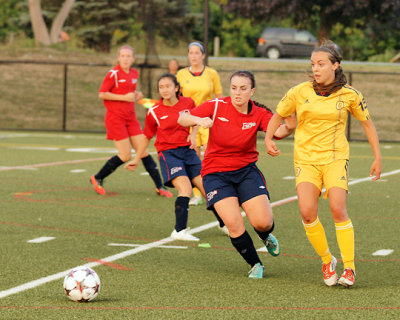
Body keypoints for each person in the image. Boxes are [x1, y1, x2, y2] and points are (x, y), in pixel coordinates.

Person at [265, 40, 381, 287]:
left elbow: (368, 124)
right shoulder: (300, 91)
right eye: (313, 64)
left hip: (335, 158)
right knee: (307, 213)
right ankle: (327, 260)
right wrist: (267, 138)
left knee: (338, 208)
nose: (316, 69)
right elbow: (278, 114)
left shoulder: (350, 95)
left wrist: (377, 157)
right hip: (306, 160)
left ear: (335, 65)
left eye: (321, 64)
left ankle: (349, 268)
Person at [178, 70, 294, 278]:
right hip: (215, 174)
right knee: (233, 223)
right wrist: (199, 120)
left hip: (246, 171)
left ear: (252, 91)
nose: (237, 93)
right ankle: (255, 264)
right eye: (233, 88)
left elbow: (278, 132)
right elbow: (182, 118)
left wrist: (291, 125)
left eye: (243, 89)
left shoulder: (258, 113)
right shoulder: (216, 105)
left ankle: (265, 235)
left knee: (262, 222)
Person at [125, 73, 207, 241]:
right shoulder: (154, 111)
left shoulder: (188, 103)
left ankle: (224, 224)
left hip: (188, 152)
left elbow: (196, 120)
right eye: (161, 87)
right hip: (169, 154)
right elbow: (146, 136)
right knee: (185, 189)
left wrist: (193, 135)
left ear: (176, 88)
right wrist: (136, 158)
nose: (164, 90)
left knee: (208, 189)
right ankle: (179, 231)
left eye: (168, 86)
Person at [90, 45, 172, 198]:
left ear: (133, 59)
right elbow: (102, 94)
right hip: (115, 118)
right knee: (125, 155)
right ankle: (97, 177)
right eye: (123, 56)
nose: (126, 59)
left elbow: (127, 92)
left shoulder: (134, 73)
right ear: (118, 58)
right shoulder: (113, 73)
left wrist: (136, 94)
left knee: (143, 150)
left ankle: (160, 186)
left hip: (131, 117)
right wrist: (124, 97)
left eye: (129, 56)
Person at [177, 41, 223, 207]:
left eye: (197, 53)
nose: (194, 56)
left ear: (203, 55)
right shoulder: (181, 75)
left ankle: (218, 189)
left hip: (208, 121)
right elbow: (178, 99)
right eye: (191, 53)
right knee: (194, 157)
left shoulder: (212, 73)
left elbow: (219, 97)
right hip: (190, 120)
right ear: (188, 55)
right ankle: (197, 193)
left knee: (212, 156)